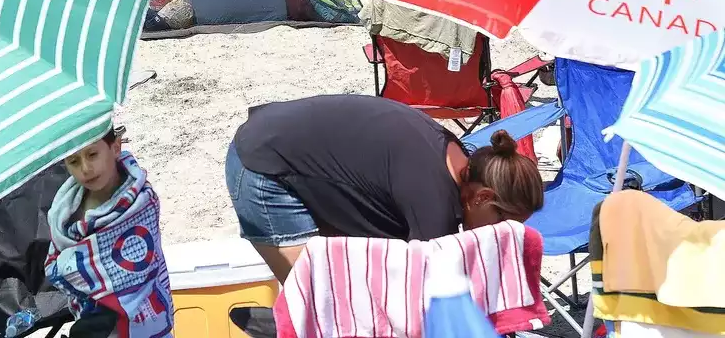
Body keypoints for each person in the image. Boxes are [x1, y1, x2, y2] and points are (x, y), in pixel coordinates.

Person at [227, 95, 543, 282]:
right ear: (483, 196)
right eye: (503, 226)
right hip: (264, 164)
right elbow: (425, 289)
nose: (500, 237)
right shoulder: (433, 201)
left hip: (286, 140)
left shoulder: (456, 157)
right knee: (316, 300)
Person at [45, 126, 173, 337]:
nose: (85, 168)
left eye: (92, 154)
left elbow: (136, 277)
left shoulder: (141, 203)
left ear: (115, 147)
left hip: (143, 324)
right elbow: (58, 262)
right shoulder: (64, 210)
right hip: (89, 320)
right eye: (74, 161)